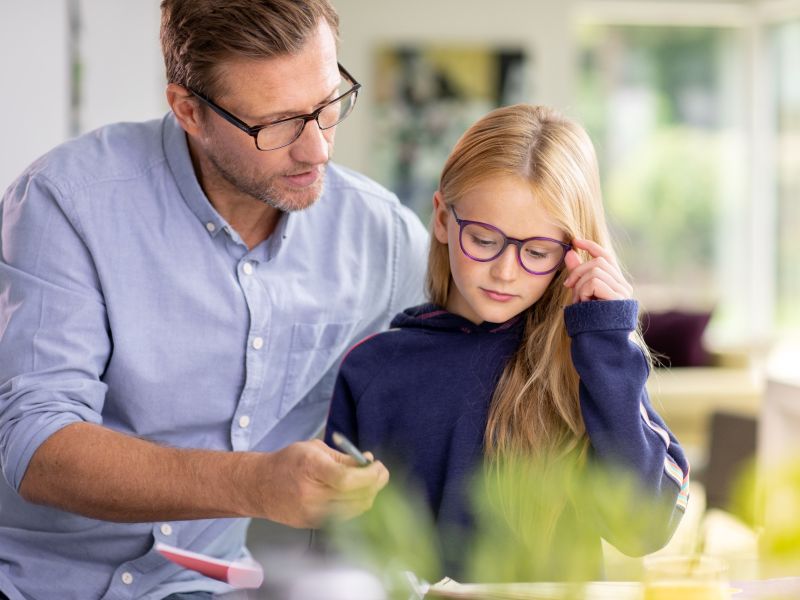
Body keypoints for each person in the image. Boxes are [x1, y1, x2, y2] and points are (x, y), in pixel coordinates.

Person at [0, 1, 428, 599]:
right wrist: (252, 484)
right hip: (33, 581)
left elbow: (474, 358)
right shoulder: (66, 202)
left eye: (328, 106)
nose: (319, 151)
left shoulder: (381, 238)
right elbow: (37, 445)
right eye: (277, 123)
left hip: (206, 587)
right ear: (189, 111)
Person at [324, 104, 690, 579]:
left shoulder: (590, 363)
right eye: (482, 239)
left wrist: (607, 339)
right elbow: (341, 553)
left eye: (537, 251)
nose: (505, 270)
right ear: (441, 219)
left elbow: (643, 529)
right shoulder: (371, 370)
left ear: (572, 254)